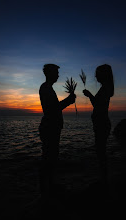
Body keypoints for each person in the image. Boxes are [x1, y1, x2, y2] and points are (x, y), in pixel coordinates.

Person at [39, 64, 76, 199]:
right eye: (56, 72)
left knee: (51, 157)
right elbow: (51, 109)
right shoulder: (46, 88)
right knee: (49, 157)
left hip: (51, 127)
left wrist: (67, 102)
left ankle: (49, 186)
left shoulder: (48, 88)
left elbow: (53, 107)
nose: (58, 75)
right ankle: (46, 190)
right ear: (50, 73)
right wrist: (68, 101)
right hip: (50, 128)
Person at [83, 64, 114, 187]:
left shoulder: (105, 88)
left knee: (101, 153)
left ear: (103, 74)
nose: (95, 76)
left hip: (102, 124)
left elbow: (98, 105)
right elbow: (97, 104)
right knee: (101, 152)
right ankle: (103, 179)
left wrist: (90, 95)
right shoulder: (106, 88)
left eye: (97, 73)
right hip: (101, 123)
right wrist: (91, 96)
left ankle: (104, 181)